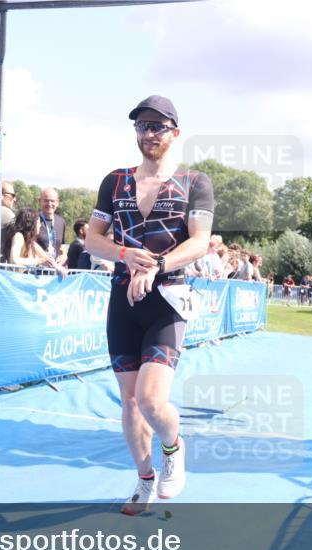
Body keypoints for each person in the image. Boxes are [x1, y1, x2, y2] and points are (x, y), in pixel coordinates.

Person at [83, 95, 214, 515]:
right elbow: (92, 239)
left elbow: (198, 242)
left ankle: (173, 447)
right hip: (123, 301)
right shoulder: (115, 181)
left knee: (152, 401)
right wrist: (125, 255)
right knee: (129, 403)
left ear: (175, 133)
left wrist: (156, 265)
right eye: (142, 126)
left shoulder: (195, 182)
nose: (149, 133)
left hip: (168, 301)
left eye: (158, 126)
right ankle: (143, 479)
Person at [2, 207, 68, 276]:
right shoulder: (18, 236)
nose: (40, 225)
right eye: (39, 223)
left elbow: (46, 259)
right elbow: (14, 260)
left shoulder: (31, 242)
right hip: (16, 279)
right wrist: (37, 261)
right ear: (32, 224)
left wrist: (58, 267)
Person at [37, 187, 67, 264]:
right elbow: (29, 244)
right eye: (46, 200)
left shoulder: (61, 222)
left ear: (57, 202)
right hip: (36, 268)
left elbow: (62, 247)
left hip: (54, 268)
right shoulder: (34, 219)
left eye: (52, 201)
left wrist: (63, 256)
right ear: (40, 201)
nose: (49, 204)